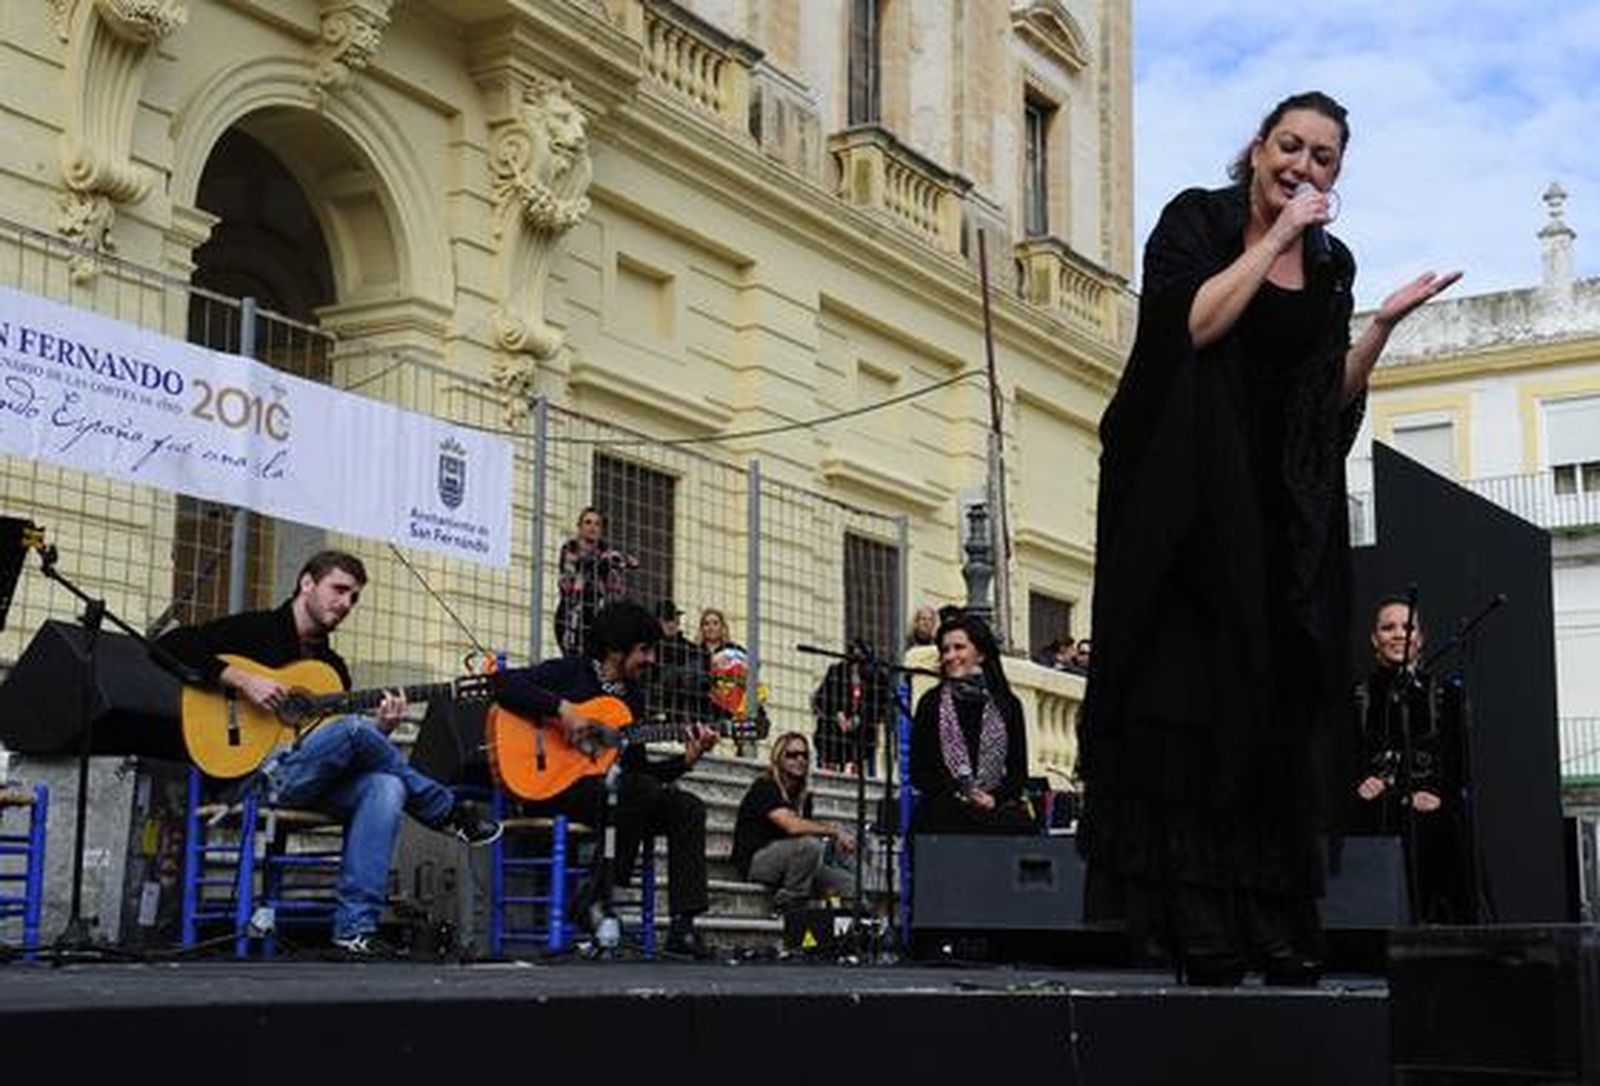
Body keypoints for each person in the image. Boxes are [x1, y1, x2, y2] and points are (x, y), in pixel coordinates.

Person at [1076, 91, 1460, 986]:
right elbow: (1194, 327)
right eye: (1290, 145)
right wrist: (1279, 237)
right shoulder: (1196, 220)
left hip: (1273, 517)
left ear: (1337, 172)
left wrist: (1380, 327)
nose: (1304, 165)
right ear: (1257, 148)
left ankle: (1272, 923)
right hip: (1179, 508)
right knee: (1190, 712)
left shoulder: (1334, 266)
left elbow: (1325, 404)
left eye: (1323, 157)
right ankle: (1200, 924)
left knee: (1269, 717)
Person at [158, 549, 501, 959]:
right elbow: (168, 645)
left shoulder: (334, 669)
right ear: (307, 583)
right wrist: (243, 679)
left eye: (354, 597)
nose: (346, 604)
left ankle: (354, 931)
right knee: (356, 731)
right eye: (339, 590)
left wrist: (383, 731)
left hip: (310, 782)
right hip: (253, 777)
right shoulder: (255, 630)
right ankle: (445, 810)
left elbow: (340, 746)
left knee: (387, 784)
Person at [490, 599, 720, 958]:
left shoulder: (634, 699)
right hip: (552, 786)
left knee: (685, 806)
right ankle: (596, 898)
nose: (651, 660)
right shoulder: (571, 672)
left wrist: (686, 761)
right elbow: (502, 683)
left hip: (612, 793)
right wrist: (562, 709)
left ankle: (682, 925)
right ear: (616, 650)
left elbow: (638, 768)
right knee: (630, 791)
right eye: (644, 650)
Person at [1351, 597, 1466, 923]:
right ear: (1375, 639)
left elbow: (1458, 761)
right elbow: (1347, 756)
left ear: (1421, 637)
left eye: (1407, 626)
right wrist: (1361, 781)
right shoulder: (1358, 695)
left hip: (1430, 815)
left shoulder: (1444, 693)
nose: (1398, 634)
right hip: (1375, 812)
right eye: (1388, 627)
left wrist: (1439, 794)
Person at [909, 612, 1033, 835]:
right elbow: (920, 772)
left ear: (981, 654)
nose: (950, 656)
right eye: (945, 650)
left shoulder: (1008, 704)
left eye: (959, 647)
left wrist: (993, 799)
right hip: (944, 812)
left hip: (994, 810)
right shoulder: (931, 703)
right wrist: (961, 791)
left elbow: (1018, 773)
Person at [732, 732, 855, 914]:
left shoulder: (803, 796)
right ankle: (788, 905)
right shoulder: (765, 786)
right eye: (792, 755)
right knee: (809, 847)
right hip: (756, 862)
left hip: (793, 863)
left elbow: (804, 833)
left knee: (847, 884)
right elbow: (792, 826)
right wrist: (834, 831)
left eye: (804, 755)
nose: (799, 760)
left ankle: (849, 930)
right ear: (779, 757)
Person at [554, 507, 636, 657]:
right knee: (574, 658)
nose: (592, 527)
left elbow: (631, 564)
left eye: (597, 524)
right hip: (572, 611)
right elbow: (570, 585)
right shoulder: (570, 548)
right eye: (588, 522)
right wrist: (598, 564)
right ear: (579, 527)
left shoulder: (606, 552)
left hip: (597, 613)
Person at [810, 650, 892, 776]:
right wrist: (837, 714)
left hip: (862, 742)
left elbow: (880, 708)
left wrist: (859, 718)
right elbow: (821, 699)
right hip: (832, 737)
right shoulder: (836, 672)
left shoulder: (877, 678)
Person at [645, 599, 708, 725]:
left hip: (688, 711)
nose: (671, 624)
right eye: (666, 620)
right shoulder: (648, 648)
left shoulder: (691, 648)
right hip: (656, 710)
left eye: (673, 619)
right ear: (656, 622)